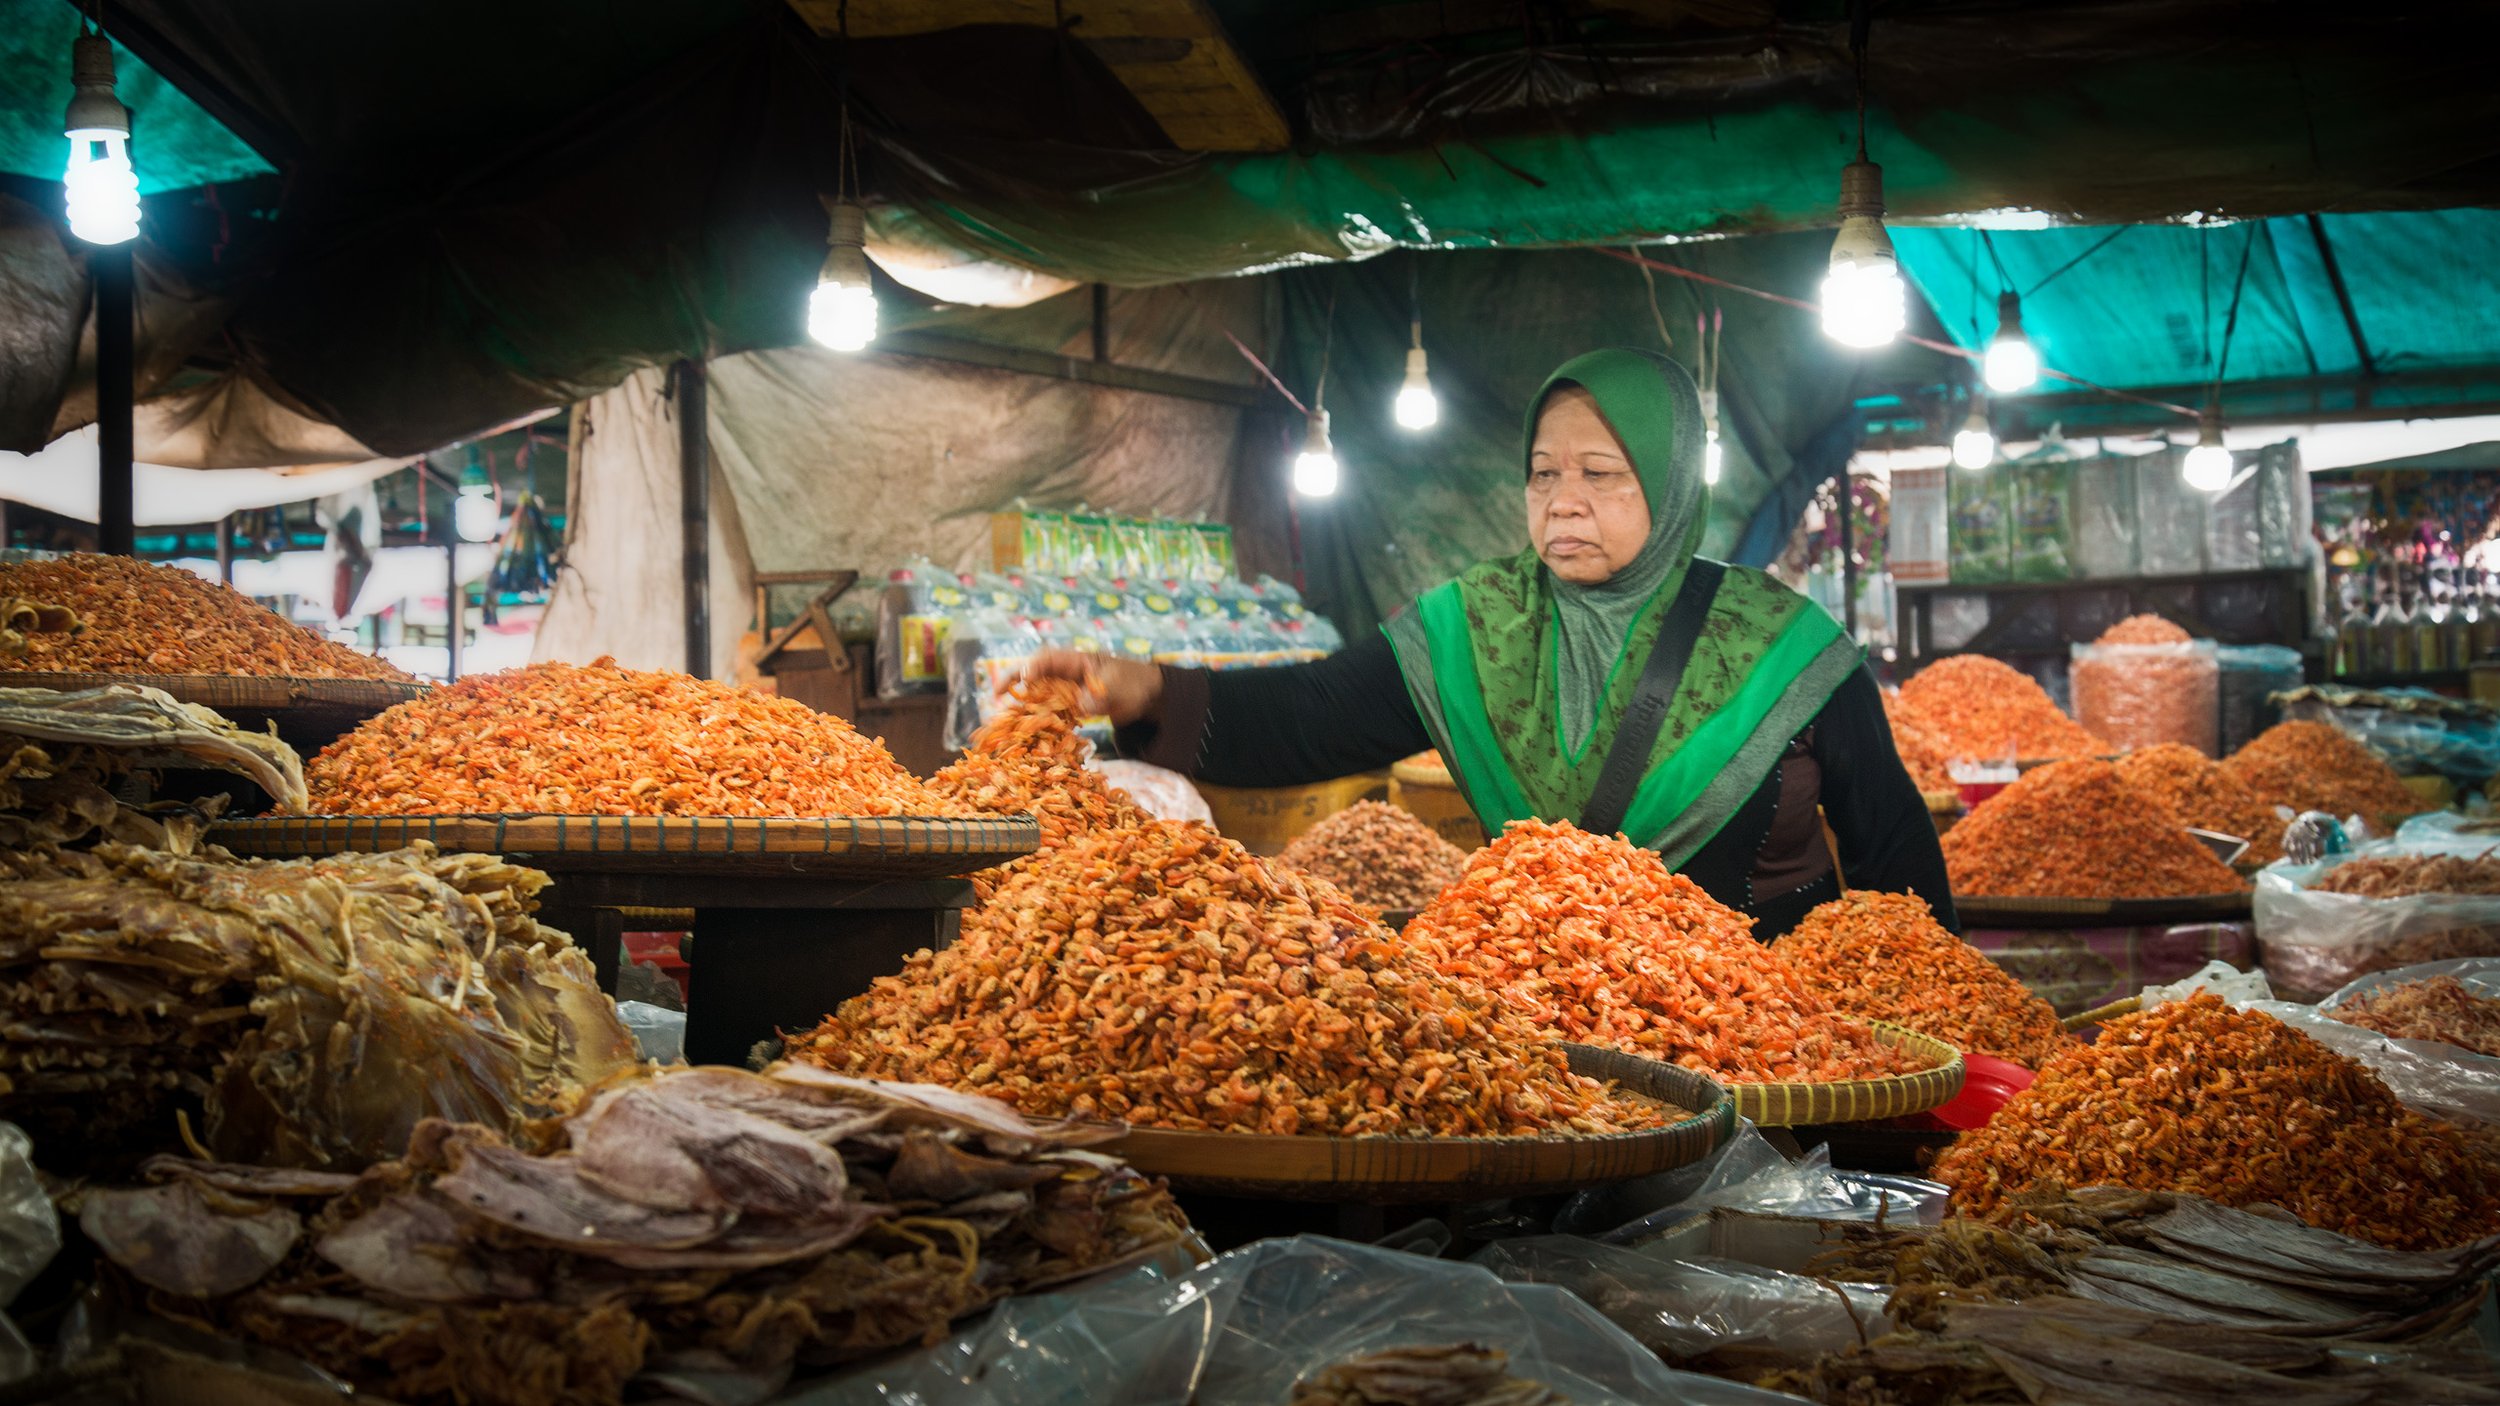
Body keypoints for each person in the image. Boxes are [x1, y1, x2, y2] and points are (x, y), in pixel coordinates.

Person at [1023, 348, 1954, 939]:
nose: (1565, 502)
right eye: (1543, 474)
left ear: (1672, 487)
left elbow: (1893, 845)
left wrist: (1924, 1027)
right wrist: (1146, 690)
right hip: (1557, 1034)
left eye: (1602, 474)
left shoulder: (1783, 645)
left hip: (1772, 1042)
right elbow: (1312, 717)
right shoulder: (1479, 627)